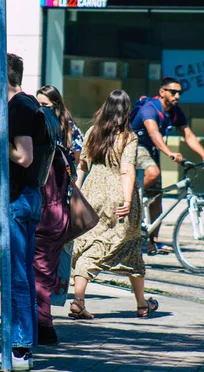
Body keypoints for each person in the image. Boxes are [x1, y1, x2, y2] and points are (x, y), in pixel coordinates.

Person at [0, 53, 43, 371]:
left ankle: (17, 350)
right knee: (23, 274)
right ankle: (21, 346)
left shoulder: (18, 107)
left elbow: (24, 156)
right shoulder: (29, 104)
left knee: (16, 274)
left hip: (18, 200)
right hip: (27, 198)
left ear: (1, 77)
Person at [71, 90, 158, 320]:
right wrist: (128, 200)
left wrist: (76, 192)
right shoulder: (128, 137)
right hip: (118, 194)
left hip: (93, 194)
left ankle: (81, 300)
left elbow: (82, 166)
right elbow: (127, 169)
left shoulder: (92, 132)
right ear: (127, 110)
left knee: (91, 243)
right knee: (128, 245)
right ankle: (139, 305)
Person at [130, 77, 204, 254]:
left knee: (157, 197)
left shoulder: (176, 112)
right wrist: (169, 153)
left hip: (150, 149)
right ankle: (126, 200)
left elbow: (188, 135)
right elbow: (153, 133)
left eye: (179, 93)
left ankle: (153, 242)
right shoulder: (150, 108)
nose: (177, 96)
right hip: (133, 145)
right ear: (162, 92)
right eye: (173, 92)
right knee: (153, 173)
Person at [33, 85, 84, 345]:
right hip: (59, 214)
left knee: (40, 274)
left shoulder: (48, 144)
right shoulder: (63, 142)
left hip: (48, 215)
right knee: (46, 273)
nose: (42, 110)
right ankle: (40, 323)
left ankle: (44, 326)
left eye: (46, 105)